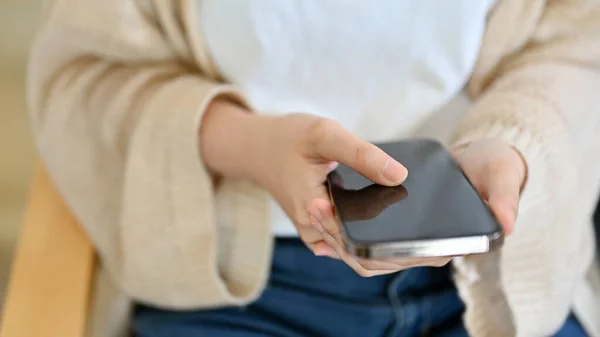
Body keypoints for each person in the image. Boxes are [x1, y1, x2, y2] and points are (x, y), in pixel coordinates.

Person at [27, 0, 600, 336]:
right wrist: (250, 144)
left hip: (488, 285)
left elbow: (576, 44)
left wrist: (513, 145)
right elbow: (86, 78)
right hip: (232, 283)